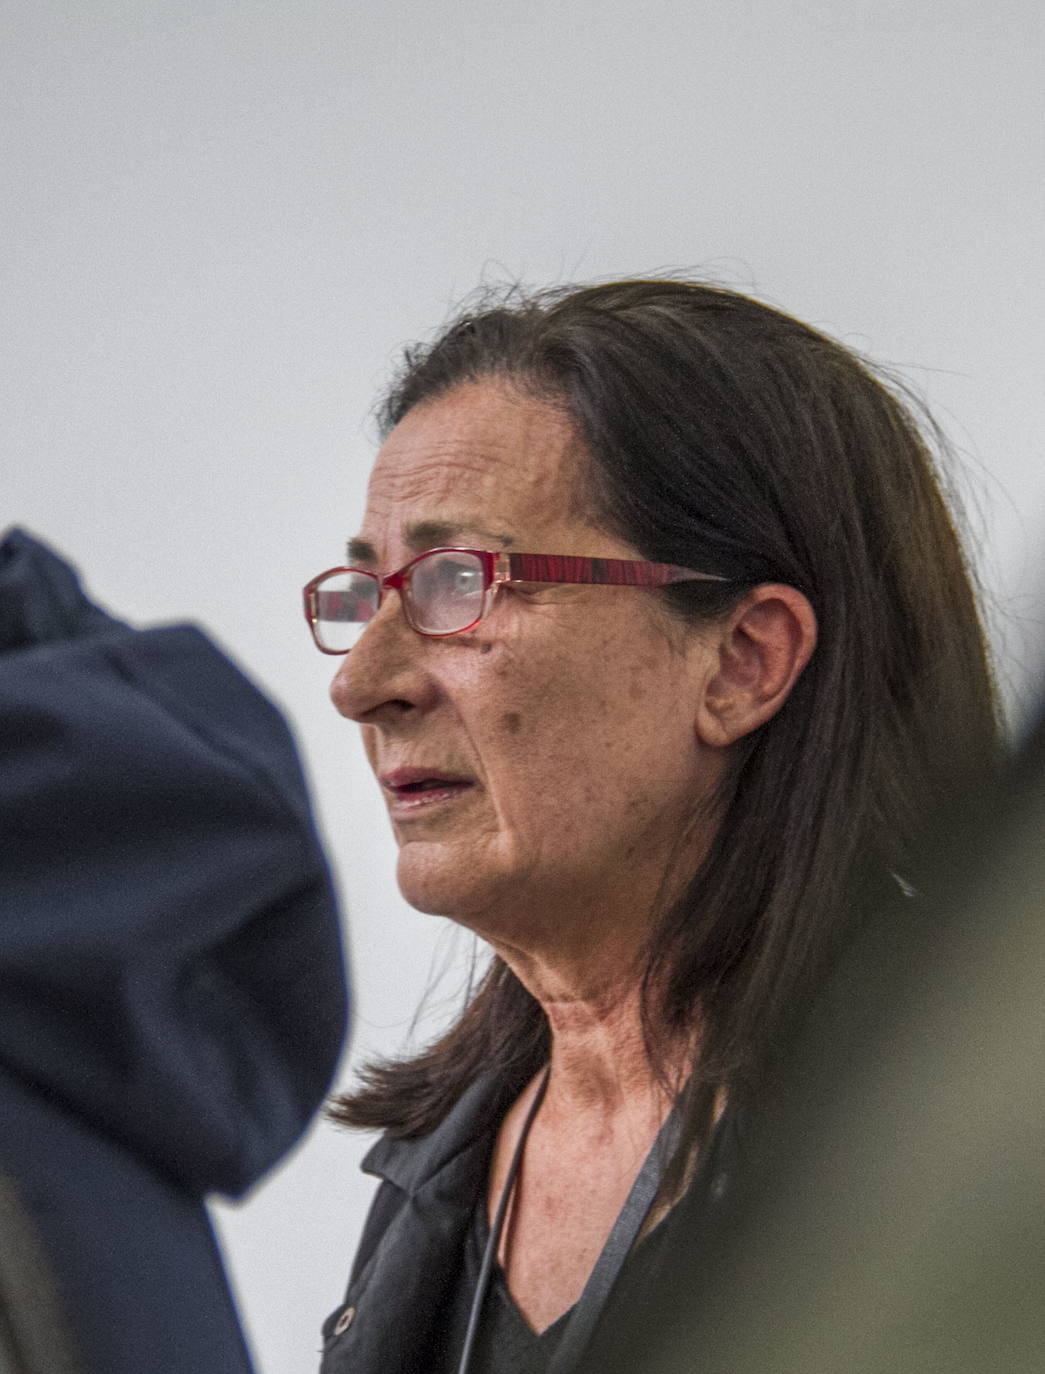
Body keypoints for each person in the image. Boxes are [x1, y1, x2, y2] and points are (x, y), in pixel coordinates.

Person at [306, 279, 999, 1374]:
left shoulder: (963, 1135)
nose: (364, 683)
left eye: (457, 582)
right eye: (364, 590)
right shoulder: (439, 1161)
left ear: (742, 662)